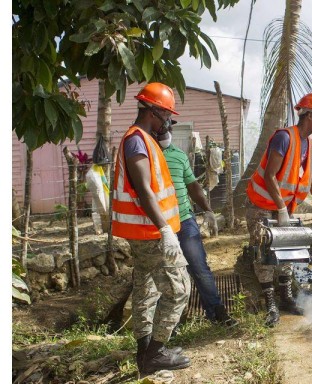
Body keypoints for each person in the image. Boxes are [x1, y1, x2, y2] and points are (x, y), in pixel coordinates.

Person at [111, 82, 191, 375]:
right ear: (154, 112)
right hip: (151, 233)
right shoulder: (137, 141)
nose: (168, 122)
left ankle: (144, 355)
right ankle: (156, 353)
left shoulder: (143, 139)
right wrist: (165, 229)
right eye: (167, 115)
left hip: (145, 232)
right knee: (180, 289)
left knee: (146, 290)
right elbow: (144, 189)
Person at [245, 93, 312, 327]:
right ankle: (270, 304)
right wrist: (280, 208)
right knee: (264, 254)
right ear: (309, 116)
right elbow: (269, 176)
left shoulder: (309, 144)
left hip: (283, 208)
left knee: (288, 250)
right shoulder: (284, 138)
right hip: (263, 207)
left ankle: (286, 297)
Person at [156, 127, 238, 327]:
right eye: (162, 126)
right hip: (158, 225)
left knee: (199, 267)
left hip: (184, 220)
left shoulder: (179, 155)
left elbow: (192, 185)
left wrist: (208, 210)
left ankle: (216, 311)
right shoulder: (147, 155)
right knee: (163, 273)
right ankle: (166, 323)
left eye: (168, 125)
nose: (165, 130)